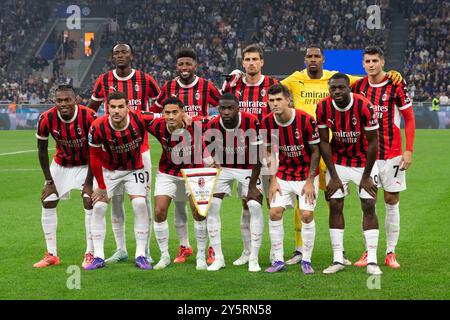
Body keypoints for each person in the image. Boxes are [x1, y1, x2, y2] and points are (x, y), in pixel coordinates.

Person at [281, 44, 403, 265]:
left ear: (324, 59)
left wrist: (392, 74)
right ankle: (300, 249)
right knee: (302, 200)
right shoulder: (294, 79)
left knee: (333, 200)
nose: (313, 59)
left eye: (317, 56)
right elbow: (270, 87)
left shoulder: (337, 78)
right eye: (309, 56)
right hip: (304, 148)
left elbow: (368, 77)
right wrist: (239, 76)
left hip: (332, 151)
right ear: (304, 59)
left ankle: (342, 253)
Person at [88, 42, 160, 265]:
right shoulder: (103, 80)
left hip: (140, 152)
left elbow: (159, 108)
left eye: (124, 52)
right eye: (116, 53)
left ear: (132, 55)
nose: (120, 56)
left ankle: (144, 251)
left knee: (142, 201)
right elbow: (91, 109)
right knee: (113, 203)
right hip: (110, 155)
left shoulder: (146, 79)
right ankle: (119, 249)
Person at [150, 48, 221, 265]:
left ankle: (207, 250)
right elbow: (154, 110)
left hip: (199, 148)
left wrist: (194, 119)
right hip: (172, 160)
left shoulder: (206, 86)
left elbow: (224, 108)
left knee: (201, 209)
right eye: (181, 64)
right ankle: (183, 247)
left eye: (188, 64)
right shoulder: (169, 87)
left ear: (195, 65)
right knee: (176, 207)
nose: (184, 68)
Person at [352, 46, 415, 268]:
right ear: (363, 64)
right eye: (367, 61)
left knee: (391, 200)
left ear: (382, 62)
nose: (371, 64)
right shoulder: (357, 86)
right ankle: (369, 252)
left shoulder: (395, 84)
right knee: (368, 203)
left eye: (375, 61)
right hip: (367, 156)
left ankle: (390, 251)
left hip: (392, 154)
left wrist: (409, 150)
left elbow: (409, 118)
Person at [316, 73, 382, 275]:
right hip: (338, 163)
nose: (336, 91)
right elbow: (324, 142)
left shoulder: (364, 106)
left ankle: (372, 260)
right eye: (333, 88)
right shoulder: (323, 107)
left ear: (348, 88)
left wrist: (366, 176)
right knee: (335, 205)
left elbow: (373, 143)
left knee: (368, 205)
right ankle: (338, 258)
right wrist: (334, 175)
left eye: (341, 88)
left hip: (365, 164)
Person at [221, 44, 278, 267]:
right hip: (242, 154)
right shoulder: (234, 86)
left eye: (255, 59)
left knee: (274, 204)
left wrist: (273, 149)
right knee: (248, 203)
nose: (251, 63)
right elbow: (223, 107)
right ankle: (247, 251)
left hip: (269, 149)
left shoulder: (272, 84)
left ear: (262, 62)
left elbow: (278, 113)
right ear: (242, 63)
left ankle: (276, 251)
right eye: (247, 59)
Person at [255, 84, 320, 274]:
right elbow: (269, 151)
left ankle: (306, 260)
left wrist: (309, 181)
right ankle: (277, 260)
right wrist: (273, 179)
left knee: (306, 215)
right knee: (274, 212)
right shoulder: (267, 122)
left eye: (278, 100)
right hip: (282, 173)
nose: (274, 104)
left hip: (306, 174)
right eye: (271, 100)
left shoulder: (306, 120)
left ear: (288, 100)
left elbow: (316, 152)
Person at [33, 85, 97, 268]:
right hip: (61, 165)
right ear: (55, 101)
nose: (63, 104)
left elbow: (97, 151)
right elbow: (42, 151)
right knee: (48, 200)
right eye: (59, 100)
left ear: (76, 100)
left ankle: (90, 253)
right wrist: (49, 182)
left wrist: (89, 182)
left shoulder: (89, 116)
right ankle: (51, 254)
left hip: (87, 165)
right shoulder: (46, 118)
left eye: (67, 99)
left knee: (88, 200)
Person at [204, 93, 264, 272]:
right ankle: (219, 258)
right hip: (224, 168)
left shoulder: (251, 122)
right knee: (211, 207)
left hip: (248, 167)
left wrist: (253, 187)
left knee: (253, 206)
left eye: (230, 108)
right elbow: (205, 142)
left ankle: (252, 256)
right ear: (218, 109)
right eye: (222, 108)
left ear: (238, 108)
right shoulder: (213, 124)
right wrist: (213, 159)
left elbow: (258, 155)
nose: (226, 111)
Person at [147, 98, 209, 271]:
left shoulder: (196, 124)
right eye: (167, 112)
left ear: (183, 112)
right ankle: (164, 255)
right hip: (168, 172)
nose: (171, 116)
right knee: (159, 211)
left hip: (194, 171)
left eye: (175, 112)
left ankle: (201, 256)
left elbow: (219, 120)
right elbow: (136, 115)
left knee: (198, 213)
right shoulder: (157, 126)